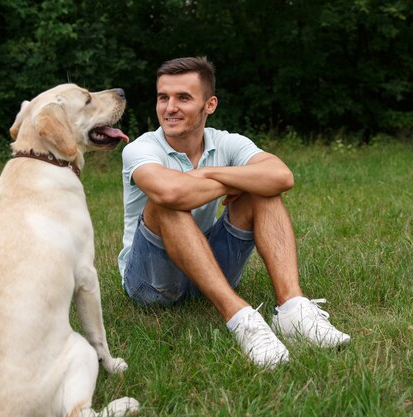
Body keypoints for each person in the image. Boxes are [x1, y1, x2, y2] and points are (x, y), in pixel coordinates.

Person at [118, 56, 350, 367]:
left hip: (204, 264)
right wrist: (233, 181)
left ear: (209, 105)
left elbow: (282, 177)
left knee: (263, 193)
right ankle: (242, 320)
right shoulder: (141, 148)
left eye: (183, 98)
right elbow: (170, 192)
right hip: (151, 283)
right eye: (163, 97)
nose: (169, 107)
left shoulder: (226, 142)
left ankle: (292, 309)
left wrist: (208, 176)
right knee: (165, 204)